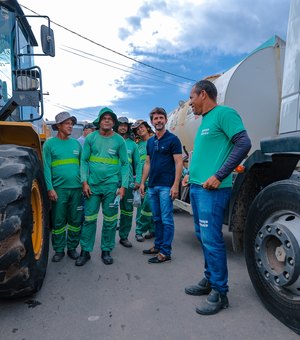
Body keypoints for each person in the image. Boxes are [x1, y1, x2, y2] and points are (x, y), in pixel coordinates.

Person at [183, 80, 251, 315]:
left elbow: (244, 144)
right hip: (197, 187)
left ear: (203, 94)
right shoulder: (204, 121)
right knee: (203, 237)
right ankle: (210, 279)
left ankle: (220, 293)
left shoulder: (224, 114)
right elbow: (205, 156)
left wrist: (219, 175)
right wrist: (189, 176)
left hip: (212, 190)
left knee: (212, 240)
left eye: (191, 98)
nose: (190, 103)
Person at [76, 107, 129, 266]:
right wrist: (84, 182)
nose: (107, 120)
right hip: (92, 186)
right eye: (104, 118)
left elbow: (125, 164)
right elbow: (84, 161)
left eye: (110, 118)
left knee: (110, 220)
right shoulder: (91, 138)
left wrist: (123, 186)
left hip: (111, 187)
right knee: (89, 219)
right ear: (99, 121)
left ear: (113, 122)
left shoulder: (119, 140)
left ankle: (106, 250)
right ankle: (85, 251)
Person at [140, 107, 183, 264]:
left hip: (166, 186)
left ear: (165, 120)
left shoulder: (173, 140)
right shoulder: (150, 142)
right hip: (152, 186)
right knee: (156, 218)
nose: (158, 121)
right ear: (152, 122)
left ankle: (166, 252)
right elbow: (147, 163)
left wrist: (175, 185)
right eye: (155, 118)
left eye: (161, 118)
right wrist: (143, 183)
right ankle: (158, 246)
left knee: (166, 219)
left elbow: (179, 162)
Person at [43, 111, 82, 262]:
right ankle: (59, 250)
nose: (70, 126)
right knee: (58, 221)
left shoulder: (76, 144)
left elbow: (82, 166)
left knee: (75, 220)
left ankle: (72, 248)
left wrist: (84, 183)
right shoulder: (49, 144)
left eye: (71, 123)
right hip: (58, 189)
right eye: (67, 123)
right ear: (59, 126)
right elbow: (46, 167)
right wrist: (49, 188)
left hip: (76, 189)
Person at [116, 116, 142, 248]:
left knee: (127, 211)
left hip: (129, 182)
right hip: (114, 181)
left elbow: (138, 164)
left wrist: (137, 181)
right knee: (111, 212)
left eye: (125, 125)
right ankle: (108, 242)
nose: (122, 127)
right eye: (120, 125)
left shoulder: (133, 145)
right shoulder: (112, 141)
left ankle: (124, 236)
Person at [131, 119, 155, 242]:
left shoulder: (155, 140)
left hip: (155, 179)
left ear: (147, 127)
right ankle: (139, 231)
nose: (140, 130)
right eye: (137, 129)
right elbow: (139, 165)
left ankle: (152, 230)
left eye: (142, 127)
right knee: (142, 207)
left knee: (152, 207)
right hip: (142, 180)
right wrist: (139, 181)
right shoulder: (138, 145)